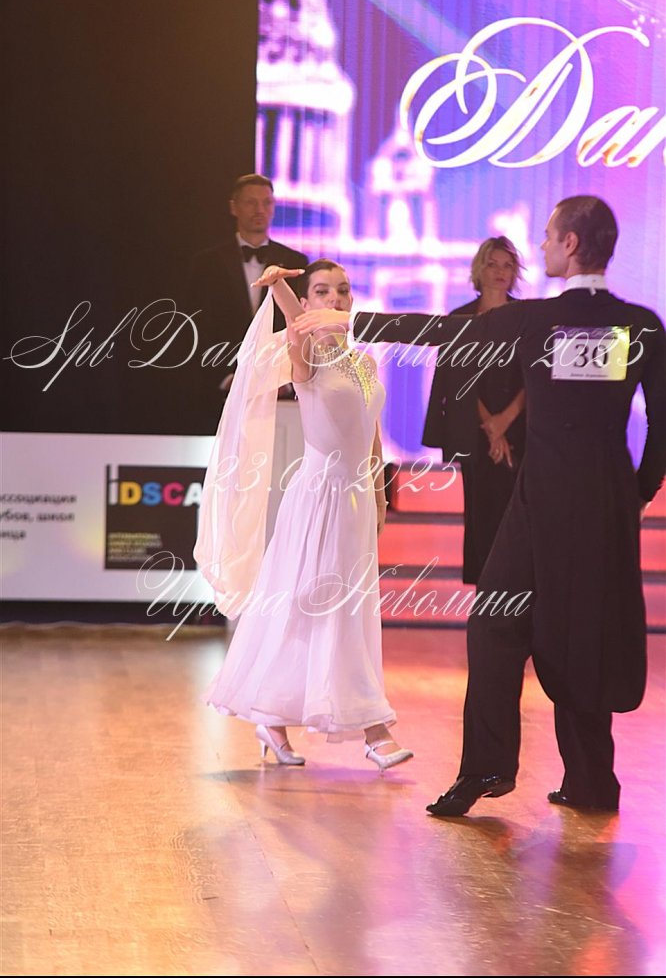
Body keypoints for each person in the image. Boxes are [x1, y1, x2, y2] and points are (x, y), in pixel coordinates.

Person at [293, 196, 666, 813]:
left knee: (495, 625)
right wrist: (638, 493)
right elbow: (662, 422)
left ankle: (496, 769)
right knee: (583, 634)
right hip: (602, 507)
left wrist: (349, 321)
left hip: (539, 502)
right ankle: (588, 780)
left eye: (549, 236)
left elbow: (443, 332)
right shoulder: (640, 323)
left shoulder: (536, 319)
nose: (541, 246)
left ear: (571, 245)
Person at [194, 258, 414, 770]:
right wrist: (280, 288)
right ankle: (374, 730)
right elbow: (298, 325)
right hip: (318, 498)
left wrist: (380, 496)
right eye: (322, 292)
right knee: (307, 605)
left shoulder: (364, 363)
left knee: (341, 610)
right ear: (309, 302)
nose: (335, 299)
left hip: (354, 501)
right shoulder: (306, 355)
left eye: (343, 290)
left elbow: (372, 433)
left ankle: (274, 720)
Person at [422, 236, 526, 583]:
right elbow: (456, 380)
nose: (500, 272)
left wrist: (504, 421)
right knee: (481, 511)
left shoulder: (527, 318)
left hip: (521, 428)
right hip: (474, 430)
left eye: (507, 265)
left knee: (517, 513)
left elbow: (534, 378)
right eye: (492, 264)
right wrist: (491, 426)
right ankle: (486, 592)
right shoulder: (460, 319)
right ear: (479, 269)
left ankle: (515, 590)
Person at [189, 174, 308, 429]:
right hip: (220, 388)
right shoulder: (207, 263)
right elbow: (198, 325)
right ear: (234, 207)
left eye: (267, 203)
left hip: (281, 390)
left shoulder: (296, 262)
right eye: (251, 202)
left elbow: (298, 323)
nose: (259, 210)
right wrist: (224, 376)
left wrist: (286, 379)